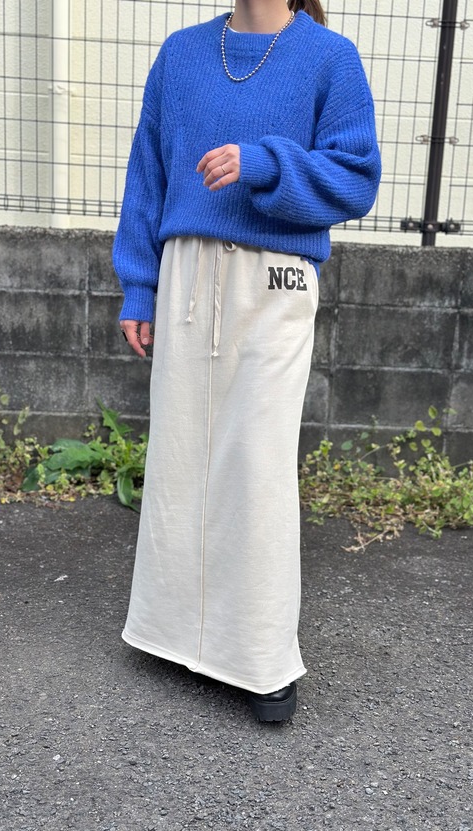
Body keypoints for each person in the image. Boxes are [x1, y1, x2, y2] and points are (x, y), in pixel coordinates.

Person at [113, 0, 381, 722]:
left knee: (256, 464)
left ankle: (261, 659)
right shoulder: (180, 54)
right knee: (180, 455)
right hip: (184, 275)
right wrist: (139, 284)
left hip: (275, 279)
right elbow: (147, 172)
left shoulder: (329, 58)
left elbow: (357, 178)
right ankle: (173, 634)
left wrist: (264, 161)